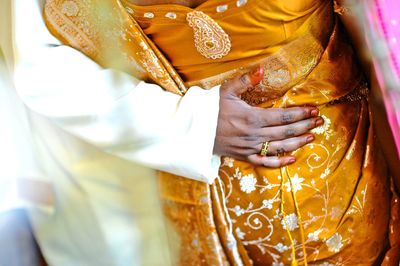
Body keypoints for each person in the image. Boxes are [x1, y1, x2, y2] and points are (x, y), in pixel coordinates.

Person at [40, 0, 400, 264]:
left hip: (348, 198)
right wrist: (190, 123)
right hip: (178, 202)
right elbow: (41, 63)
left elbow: (384, 38)